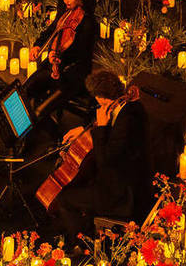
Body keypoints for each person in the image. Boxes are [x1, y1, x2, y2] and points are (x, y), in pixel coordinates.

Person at [48, 70, 152, 243]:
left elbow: (105, 161)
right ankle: (83, 225)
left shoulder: (128, 120)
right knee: (83, 184)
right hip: (123, 178)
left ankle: (82, 242)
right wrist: (85, 129)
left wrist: (101, 128)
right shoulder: (130, 106)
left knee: (65, 199)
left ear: (102, 98)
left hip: (123, 194)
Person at [24, 0, 98, 129]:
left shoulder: (89, 23)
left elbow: (82, 55)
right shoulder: (64, 11)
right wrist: (38, 44)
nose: (65, 0)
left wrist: (58, 56)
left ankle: (46, 134)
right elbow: (52, 30)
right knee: (25, 91)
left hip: (73, 73)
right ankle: (24, 131)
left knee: (40, 111)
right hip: (54, 63)